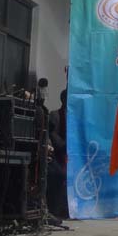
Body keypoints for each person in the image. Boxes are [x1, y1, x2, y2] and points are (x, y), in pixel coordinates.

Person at [47, 89, 69, 219]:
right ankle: (57, 209)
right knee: (59, 176)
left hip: (74, 155)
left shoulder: (76, 115)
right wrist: (64, 146)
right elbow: (52, 134)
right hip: (59, 154)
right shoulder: (55, 115)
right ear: (63, 100)